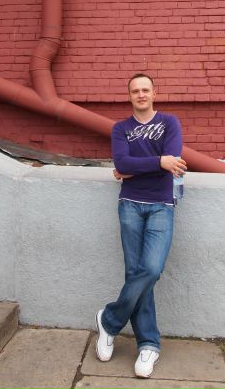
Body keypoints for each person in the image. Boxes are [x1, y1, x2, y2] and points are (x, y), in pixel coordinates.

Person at [95, 73, 187, 378]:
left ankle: (109, 320)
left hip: (161, 205)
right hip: (130, 205)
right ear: (130, 96)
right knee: (134, 272)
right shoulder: (120, 128)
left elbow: (172, 161)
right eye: (135, 91)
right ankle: (148, 345)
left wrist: (138, 167)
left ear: (154, 93)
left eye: (145, 89)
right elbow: (123, 164)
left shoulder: (170, 123)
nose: (141, 94)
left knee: (150, 269)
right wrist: (158, 162)